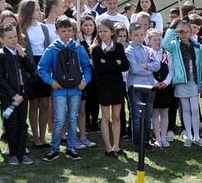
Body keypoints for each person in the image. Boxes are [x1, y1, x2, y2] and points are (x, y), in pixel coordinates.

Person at [38, 16, 92, 161]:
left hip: (76, 89)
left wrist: (85, 81)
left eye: (69, 30)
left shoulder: (78, 48)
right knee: (59, 119)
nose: (67, 33)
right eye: (63, 31)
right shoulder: (52, 49)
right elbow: (41, 68)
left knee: (73, 119)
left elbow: (87, 67)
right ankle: (54, 149)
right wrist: (51, 82)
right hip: (59, 89)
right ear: (57, 32)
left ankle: (71, 148)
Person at [0, 23, 36, 165]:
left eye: (15, 36)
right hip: (9, 97)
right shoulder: (0, 56)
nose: (13, 40)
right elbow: (0, 79)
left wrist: (23, 55)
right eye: (10, 37)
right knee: (11, 125)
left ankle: (22, 153)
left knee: (22, 124)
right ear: (1, 40)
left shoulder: (20, 52)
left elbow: (32, 70)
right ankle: (12, 154)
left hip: (23, 95)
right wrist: (13, 95)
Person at [90, 20, 129, 157]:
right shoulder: (95, 49)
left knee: (117, 116)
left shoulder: (118, 47)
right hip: (103, 86)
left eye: (105, 31)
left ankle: (117, 146)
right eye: (100, 31)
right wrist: (115, 63)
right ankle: (108, 148)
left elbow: (125, 66)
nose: (102, 34)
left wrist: (107, 62)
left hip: (117, 85)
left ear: (112, 32)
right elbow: (99, 70)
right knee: (106, 117)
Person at [18, 0, 52, 148]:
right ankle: (36, 137)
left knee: (45, 103)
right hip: (29, 66)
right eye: (37, 9)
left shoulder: (43, 27)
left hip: (44, 65)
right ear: (29, 12)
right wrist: (30, 69)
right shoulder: (22, 28)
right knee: (34, 103)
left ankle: (43, 136)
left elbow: (47, 47)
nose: (40, 12)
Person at [167, 20, 202, 147]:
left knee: (194, 108)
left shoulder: (196, 46)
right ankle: (188, 135)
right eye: (181, 32)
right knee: (185, 108)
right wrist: (174, 30)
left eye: (186, 32)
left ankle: (197, 136)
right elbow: (164, 44)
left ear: (190, 32)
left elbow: (201, 66)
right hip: (181, 81)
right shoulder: (174, 45)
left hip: (193, 80)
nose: (183, 34)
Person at [125, 22, 160, 151]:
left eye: (141, 34)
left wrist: (147, 66)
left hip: (149, 86)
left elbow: (157, 65)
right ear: (130, 35)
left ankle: (146, 140)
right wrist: (149, 69)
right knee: (137, 116)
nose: (139, 37)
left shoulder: (148, 49)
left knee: (148, 115)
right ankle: (138, 143)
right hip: (136, 86)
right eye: (136, 35)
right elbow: (134, 69)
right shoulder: (129, 50)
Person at [148, 29, 173, 148]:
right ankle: (157, 137)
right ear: (149, 42)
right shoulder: (148, 54)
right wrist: (155, 83)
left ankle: (163, 137)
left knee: (164, 112)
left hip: (165, 87)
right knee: (155, 113)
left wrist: (166, 82)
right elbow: (146, 70)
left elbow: (171, 70)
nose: (157, 42)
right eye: (154, 40)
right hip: (153, 87)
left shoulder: (166, 54)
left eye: (159, 39)